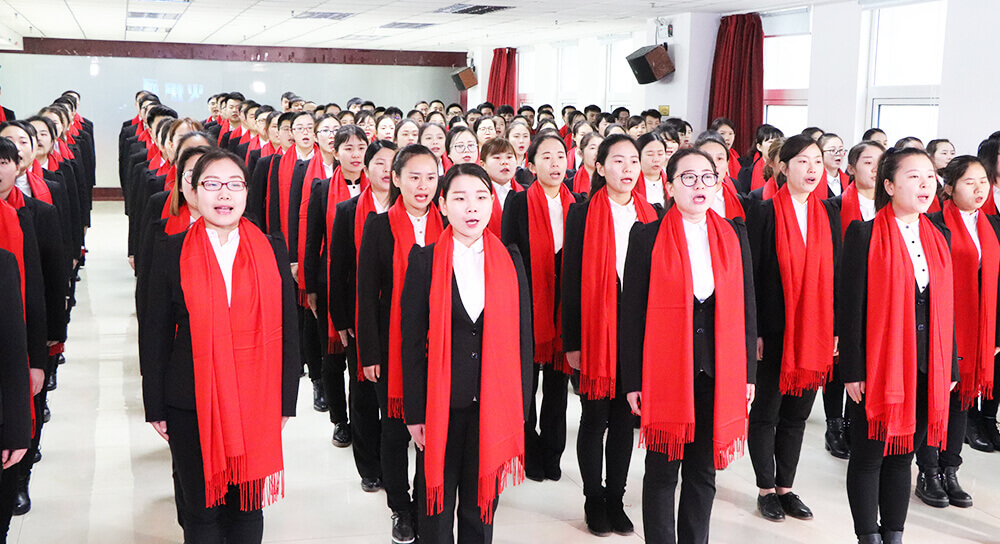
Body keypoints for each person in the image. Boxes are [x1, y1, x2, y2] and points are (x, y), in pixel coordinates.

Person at [142, 149, 300, 544]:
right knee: (201, 510)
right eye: (212, 184)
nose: (224, 194)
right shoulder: (171, 250)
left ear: (247, 192)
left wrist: (285, 400)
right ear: (194, 193)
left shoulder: (271, 249)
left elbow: (289, 329)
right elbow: (155, 335)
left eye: (234, 184)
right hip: (191, 400)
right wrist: (155, 405)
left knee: (247, 506)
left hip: (256, 399)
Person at [621, 148, 756, 544]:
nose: (700, 185)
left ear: (718, 184)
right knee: (662, 471)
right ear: (670, 186)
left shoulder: (734, 233)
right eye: (688, 177)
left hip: (718, 369)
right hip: (665, 372)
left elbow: (748, 307)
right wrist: (633, 380)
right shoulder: (646, 236)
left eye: (708, 177)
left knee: (703, 471)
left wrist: (747, 373)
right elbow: (631, 315)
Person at [401, 162, 532, 544]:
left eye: (480, 197)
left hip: (493, 405)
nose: (471, 207)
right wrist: (414, 412)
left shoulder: (510, 259)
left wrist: (520, 409)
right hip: (440, 405)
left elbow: (523, 340)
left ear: (492, 202)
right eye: (459, 198)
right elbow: (411, 344)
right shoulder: (424, 260)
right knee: (435, 506)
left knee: (480, 508)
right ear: (443, 205)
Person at [840, 147, 958, 544]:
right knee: (870, 456)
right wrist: (853, 370)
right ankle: (868, 536)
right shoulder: (863, 235)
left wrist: (950, 367)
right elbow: (850, 308)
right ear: (889, 186)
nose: (925, 184)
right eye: (913, 176)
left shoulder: (939, 236)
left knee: (903, 456)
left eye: (929, 176)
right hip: (879, 367)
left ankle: (893, 535)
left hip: (927, 366)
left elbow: (946, 308)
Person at [563, 133, 661, 537]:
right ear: (600, 168)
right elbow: (570, 279)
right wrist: (572, 341)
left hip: (637, 330)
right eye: (618, 161)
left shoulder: (653, 214)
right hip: (594, 330)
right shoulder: (582, 213)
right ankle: (593, 498)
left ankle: (616, 499)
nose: (627, 168)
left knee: (624, 419)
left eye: (633, 161)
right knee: (594, 418)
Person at [749, 134, 840, 523]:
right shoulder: (763, 212)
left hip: (814, 331)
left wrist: (835, 328)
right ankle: (765, 488)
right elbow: (752, 278)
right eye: (803, 161)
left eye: (817, 161)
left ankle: (786, 487)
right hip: (773, 332)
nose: (812, 169)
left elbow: (837, 275)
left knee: (797, 415)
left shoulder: (830, 213)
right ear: (782, 167)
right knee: (766, 413)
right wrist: (754, 331)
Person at [357, 144, 444, 544]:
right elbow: (366, 293)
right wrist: (370, 353)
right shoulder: (379, 226)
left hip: (437, 348)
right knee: (394, 433)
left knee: (433, 432)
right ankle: (400, 508)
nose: (423, 186)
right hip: (392, 348)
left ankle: (426, 504)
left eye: (430, 177)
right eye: (414, 177)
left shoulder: (450, 222)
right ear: (395, 179)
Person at [915, 156, 1000, 509]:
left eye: (983, 181)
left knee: (962, 400)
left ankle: (951, 469)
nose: (979, 189)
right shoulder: (933, 225)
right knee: (936, 400)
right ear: (948, 187)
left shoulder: (993, 225)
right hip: (942, 327)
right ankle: (928, 471)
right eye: (969, 182)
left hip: (978, 330)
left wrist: (995, 336)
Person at [502, 133, 584, 484]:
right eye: (546, 157)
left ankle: (552, 453)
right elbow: (509, 255)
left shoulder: (578, 204)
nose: (555, 163)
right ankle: (529, 451)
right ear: (531, 165)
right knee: (525, 386)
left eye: (560, 156)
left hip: (563, 306)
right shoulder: (518, 203)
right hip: (528, 305)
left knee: (557, 388)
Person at [329, 140, 398, 494]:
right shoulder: (347, 210)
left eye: (392, 163)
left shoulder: (414, 207)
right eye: (379, 163)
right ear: (366, 169)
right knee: (364, 394)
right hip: (362, 317)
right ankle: (369, 466)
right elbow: (339, 268)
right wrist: (341, 320)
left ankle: (394, 460)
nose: (386, 170)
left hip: (400, 318)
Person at [303, 124, 371, 448]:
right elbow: (312, 239)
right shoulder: (321, 189)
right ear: (335, 151)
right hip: (330, 281)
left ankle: (363, 421)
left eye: (361, 148)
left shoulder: (380, 187)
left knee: (362, 358)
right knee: (333, 359)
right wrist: (310, 289)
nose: (355, 155)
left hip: (367, 284)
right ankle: (340, 421)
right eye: (349, 148)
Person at [822, 140, 886, 461]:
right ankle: (834, 424)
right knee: (838, 363)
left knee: (865, 362)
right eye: (868, 162)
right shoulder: (833, 208)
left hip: (878, 297)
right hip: (841, 292)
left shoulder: (892, 208)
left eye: (880, 163)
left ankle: (853, 421)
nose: (875, 169)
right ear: (851, 168)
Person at [693, 131, 749, 220]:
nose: (714, 164)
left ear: (727, 164)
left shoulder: (742, 203)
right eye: (707, 158)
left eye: (719, 158)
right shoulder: (683, 200)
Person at [479, 137, 523, 239]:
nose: (504, 162)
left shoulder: (525, 192)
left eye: (509, 157)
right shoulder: (477, 195)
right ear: (483, 165)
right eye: (497, 158)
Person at [634, 133, 668, 208]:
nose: (656, 159)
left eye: (660, 154)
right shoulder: (631, 184)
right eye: (650, 154)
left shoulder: (671, 182)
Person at [571, 132, 603, 196]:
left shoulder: (611, 183)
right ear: (581, 153)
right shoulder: (569, 184)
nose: (597, 153)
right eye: (592, 148)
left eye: (601, 148)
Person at [819, 133, 849, 198]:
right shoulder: (814, 181)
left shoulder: (849, 181)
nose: (838, 154)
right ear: (820, 153)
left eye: (841, 150)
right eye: (832, 150)